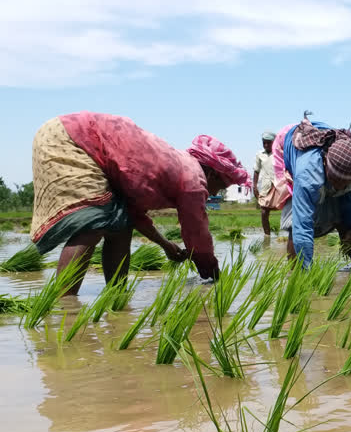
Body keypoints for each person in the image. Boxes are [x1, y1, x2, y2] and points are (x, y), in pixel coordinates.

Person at [30, 111, 251, 295]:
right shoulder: (194, 178)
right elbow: (196, 233)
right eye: (221, 186)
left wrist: (165, 245)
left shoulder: (177, 166)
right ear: (211, 173)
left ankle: (116, 296)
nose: (216, 192)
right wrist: (210, 269)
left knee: (120, 226)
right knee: (94, 222)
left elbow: (134, 216)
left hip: (68, 134)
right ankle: (64, 306)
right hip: (72, 139)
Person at [272, 116, 351, 268]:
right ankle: (297, 275)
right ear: (324, 163)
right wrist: (307, 272)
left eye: (344, 185)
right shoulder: (307, 173)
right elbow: (302, 226)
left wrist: (350, 229)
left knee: (345, 224)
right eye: (335, 182)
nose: (338, 189)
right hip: (289, 146)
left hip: (324, 160)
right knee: (295, 223)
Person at [253, 131, 280, 236]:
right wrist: (254, 186)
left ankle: (290, 234)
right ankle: (267, 236)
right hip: (265, 185)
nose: (266, 145)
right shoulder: (260, 155)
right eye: (264, 143)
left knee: (286, 208)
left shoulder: (279, 153)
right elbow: (256, 171)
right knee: (264, 211)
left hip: (278, 185)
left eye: (269, 143)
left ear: (274, 142)